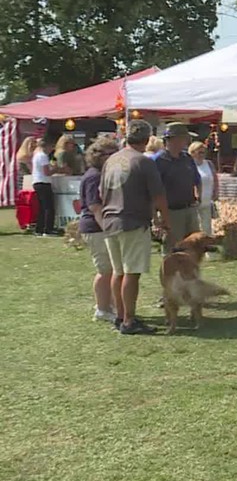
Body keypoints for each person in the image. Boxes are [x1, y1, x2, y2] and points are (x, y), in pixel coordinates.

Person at [100, 120, 170, 335]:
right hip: (132, 221)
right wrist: (165, 220)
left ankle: (120, 316)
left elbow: (102, 193)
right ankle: (129, 321)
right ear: (148, 138)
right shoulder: (143, 161)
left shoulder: (110, 160)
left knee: (118, 272)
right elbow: (158, 195)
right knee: (132, 272)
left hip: (109, 220)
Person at [77, 137, 120, 326]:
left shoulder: (102, 173)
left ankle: (109, 305)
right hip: (96, 228)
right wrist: (108, 229)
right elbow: (95, 207)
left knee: (110, 269)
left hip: (101, 227)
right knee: (105, 270)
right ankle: (102, 309)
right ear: (98, 156)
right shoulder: (94, 176)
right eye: (110, 154)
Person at [154, 123, 201, 255]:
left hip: (189, 208)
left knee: (193, 245)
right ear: (172, 140)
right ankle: (170, 275)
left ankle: (189, 274)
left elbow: (196, 179)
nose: (186, 142)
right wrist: (158, 216)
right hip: (171, 212)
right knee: (172, 249)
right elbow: (154, 189)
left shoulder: (186, 158)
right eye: (183, 138)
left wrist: (198, 195)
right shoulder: (158, 161)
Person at [30, 136, 60, 236]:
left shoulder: (36, 155)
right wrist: (56, 169)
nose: (52, 148)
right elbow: (46, 172)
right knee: (49, 207)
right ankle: (48, 229)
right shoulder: (43, 156)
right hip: (43, 182)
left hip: (37, 182)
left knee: (42, 208)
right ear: (46, 146)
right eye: (51, 146)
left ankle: (39, 228)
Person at [188, 141, 219, 237]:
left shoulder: (209, 163)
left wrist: (216, 192)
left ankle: (207, 248)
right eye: (199, 152)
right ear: (192, 153)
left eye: (203, 152)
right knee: (195, 227)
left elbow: (215, 178)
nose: (202, 155)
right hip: (193, 202)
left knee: (206, 227)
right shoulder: (189, 165)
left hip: (207, 200)